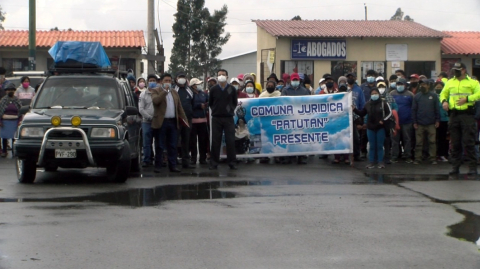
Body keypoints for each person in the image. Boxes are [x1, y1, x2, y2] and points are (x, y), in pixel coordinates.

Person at [440, 62, 480, 175]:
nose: (455, 72)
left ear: (464, 70)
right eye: (454, 70)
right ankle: (455, 167)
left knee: (469, 142)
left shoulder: (473, 82)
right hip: (454, 115)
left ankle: (472, 167)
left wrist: (467, 99)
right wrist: (444, 102)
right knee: (455, 143)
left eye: (458, 70)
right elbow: (443, 94)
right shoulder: (450, 82)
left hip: (467, 115)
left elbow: (479, 94)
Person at [151, 73, 188, 173]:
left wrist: (185, 120)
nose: (168, 83)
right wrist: (164, 91)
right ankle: (158, 165)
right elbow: (156, 101)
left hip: (172, 122)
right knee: (160, 145)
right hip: (161, 122)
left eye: (169, 81)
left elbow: (179, 107)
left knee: (173, 145)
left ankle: (173, 165)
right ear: (161, 82)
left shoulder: (175, 92)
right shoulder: (156, 91)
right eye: (166, 80)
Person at [353, 88, 392, 169]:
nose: (374, 95)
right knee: (372, 146)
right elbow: (362, 113)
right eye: (372, 94)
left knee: (379, 146)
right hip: (370, 128)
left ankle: (380, 162)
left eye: (375, 93)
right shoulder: (367, 104)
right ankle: (372, 162)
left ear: (378, 94)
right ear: (370, 95)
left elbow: (389, 113)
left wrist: (383, 120)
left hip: (380, 128)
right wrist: (355, 109)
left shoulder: (383, 103)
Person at [209, 69, 238, 170]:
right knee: (216, 140)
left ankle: (232, 162)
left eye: (223, 74)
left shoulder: (232, 89)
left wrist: (229, 110)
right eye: (219, 75)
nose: (221, 76)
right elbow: (211, 103)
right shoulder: (213, 89)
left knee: (230, 140)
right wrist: (216, 110)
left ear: (227, 77)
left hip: (228, 118)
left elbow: (235, 102)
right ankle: (214, 163)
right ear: (217, 77)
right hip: (216, 118)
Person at [281, 73, 311, 164]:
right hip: (289, 118)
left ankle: (301, 156)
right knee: (289, 137)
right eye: (293, 80)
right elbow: (282, 103)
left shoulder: (305, 91)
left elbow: (309, 103)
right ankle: (289, 156)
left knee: (300, 137)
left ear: (299, 81)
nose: (295, 81)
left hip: (301, 118)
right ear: (290, 80)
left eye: (296, 80)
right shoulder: (285, 90)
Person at [412, 79, 440, 165]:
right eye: (421, 84)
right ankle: (417, 158)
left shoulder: (434, 96)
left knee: (432, 142)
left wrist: (437, 120)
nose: (422, 86)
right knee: (419, 142)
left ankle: (432, 158)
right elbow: (414, 110)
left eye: (424, 84)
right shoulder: (417, 96)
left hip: (431, 123)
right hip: (419, 123)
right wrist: (414, 122)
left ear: (428, 85)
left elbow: (437, 109)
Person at [390, 78, 414, 163]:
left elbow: (413, 107)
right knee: (395, 140)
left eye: (401, 84)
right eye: (398, 84)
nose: (399, 86)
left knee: (407, 140)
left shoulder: (410, 94)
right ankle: (395, 156)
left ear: (405, 85)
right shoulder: (392, 93)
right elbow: (389, 106)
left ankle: (407, 156)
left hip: (407, 121)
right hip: (394, 122)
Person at [174, 72, 195, 169]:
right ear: (177, 78)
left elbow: (193, 103)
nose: (182, 79)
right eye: (180, 77)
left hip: (188, 119)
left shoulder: (190, 90)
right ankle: (173, 162)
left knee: (186, 141)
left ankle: (186, 162)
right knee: (174, 141)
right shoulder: (174, 89)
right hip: (176, 119)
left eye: (183, 77)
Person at [346, 72, 366, 162]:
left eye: (352, 77)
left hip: (356, 117)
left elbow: (362, 104)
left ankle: (357, 155)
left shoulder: (359, 90)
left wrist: (361, 117)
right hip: (345, 117)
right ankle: (345, 156)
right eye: (349, 77)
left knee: (356, 138)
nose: (350, 78)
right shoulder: (344, 89)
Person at [138, 74, 158, 167]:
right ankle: (147, 160)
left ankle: (158, 160)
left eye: (154, 80)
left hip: (158, 122)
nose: (152, 82)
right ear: (147, 82)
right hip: (146, 122)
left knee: (158, 142)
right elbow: (141, 109)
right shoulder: (143, 94)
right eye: (151, 80)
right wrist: (150, 117)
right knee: (146, 143)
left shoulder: (159, 93)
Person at [378, 81, 399, 164]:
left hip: (388, 121)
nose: (381, 89)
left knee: (387, 140)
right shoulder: (375, 97)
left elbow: (395, 107)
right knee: (378, 140)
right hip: (378, 122)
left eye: (382, 87)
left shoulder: (390, 96)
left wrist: (393, 114)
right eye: (379, 87)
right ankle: (378, 157)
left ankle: (387, 157)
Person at [189, 78, 209, 165]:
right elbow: (189, 104)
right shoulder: (190, 94)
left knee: (203, 140)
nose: (199, 85)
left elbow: (208, 103)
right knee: (193, 141)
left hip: (203, 120)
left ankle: (202, 158)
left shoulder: (204, 94)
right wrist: (198, 105)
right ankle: (193, 158)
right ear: (193, 86)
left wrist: (206, 106)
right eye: (197, 84)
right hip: (193, 121)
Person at [0, 82, 22, 158]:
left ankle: (14, 151)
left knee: (14, 137)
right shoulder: (3, 100)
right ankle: (4, 151)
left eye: (12, 90)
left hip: (15, 121)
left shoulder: (17, 100)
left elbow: (20, 111)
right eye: (8, 90)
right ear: (6, 91)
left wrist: (20, 120)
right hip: (5, 121)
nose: (10, 91)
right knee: (4, 137)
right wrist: (0, 121)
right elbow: (0, 111)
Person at [434, 80, 449, 162]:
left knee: (444, 139)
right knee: (436, 139)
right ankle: (436, 154)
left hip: (445, 120)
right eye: (437, 87)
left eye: (440, 87)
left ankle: (444, 154)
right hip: (436, 120)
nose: (438, 88)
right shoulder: (434, 96)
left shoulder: (447, 97)